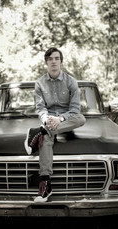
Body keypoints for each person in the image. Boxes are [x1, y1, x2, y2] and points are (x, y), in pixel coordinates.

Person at [24, 47, 86, 202]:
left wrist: (61, 119)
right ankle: (45, 187)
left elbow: (75, 109)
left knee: (81, 118)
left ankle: (39, 131)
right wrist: (47, 120)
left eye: (57, 58)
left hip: (66, 120)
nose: (53, 61)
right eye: (50, 59)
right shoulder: (39, 83)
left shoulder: (71, 82)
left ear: (61, 62)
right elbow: (40, 108)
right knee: (45, 140)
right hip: (49, 120)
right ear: (46, 62)